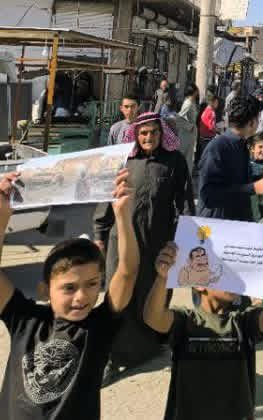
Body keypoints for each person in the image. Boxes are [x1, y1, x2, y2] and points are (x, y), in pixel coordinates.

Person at [0, 167, 137, 419]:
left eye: (92, 284)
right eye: (69, 288)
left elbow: (126, 272)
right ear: (45, 290)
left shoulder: (99, 326)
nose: (82, 296)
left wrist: (123, 215)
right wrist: (1, 213)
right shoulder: (25, 321)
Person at [92, 111, 194, 376]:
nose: (149, 137)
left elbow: (184, 201)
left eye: (154, 132)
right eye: (144, 133)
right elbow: (108, 198)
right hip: (123, 240)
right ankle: (111, 355)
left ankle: (150, 346)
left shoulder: (175, 162)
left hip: (158, 240)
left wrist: (185, 236)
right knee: (119, 295)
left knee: (152, 292)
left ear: (162, 134)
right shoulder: (124, 161)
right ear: (135, 135)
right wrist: (99, 235)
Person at [144, 242, 263, 420]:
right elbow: (153, 318)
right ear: (198, 284)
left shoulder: (243, 321)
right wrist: (162, 278)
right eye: (223, 273)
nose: (233, 279)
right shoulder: (185, 321)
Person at [198, 93, 263, 221]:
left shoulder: (242, 145)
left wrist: (262, 176)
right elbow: (208, 196)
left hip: (238, 225)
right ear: (252, 122)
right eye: (258, 118)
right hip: (219, 229)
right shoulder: (218, 147)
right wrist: (253, 188)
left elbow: (236, 181)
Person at [175, 84, 200, 168]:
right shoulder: (188, 103)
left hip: (190, 135)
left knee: (189, 158)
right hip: (186, 135)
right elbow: (178, 118)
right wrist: (190, 127)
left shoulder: (191, 102)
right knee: (185, 158)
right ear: (195, 92)